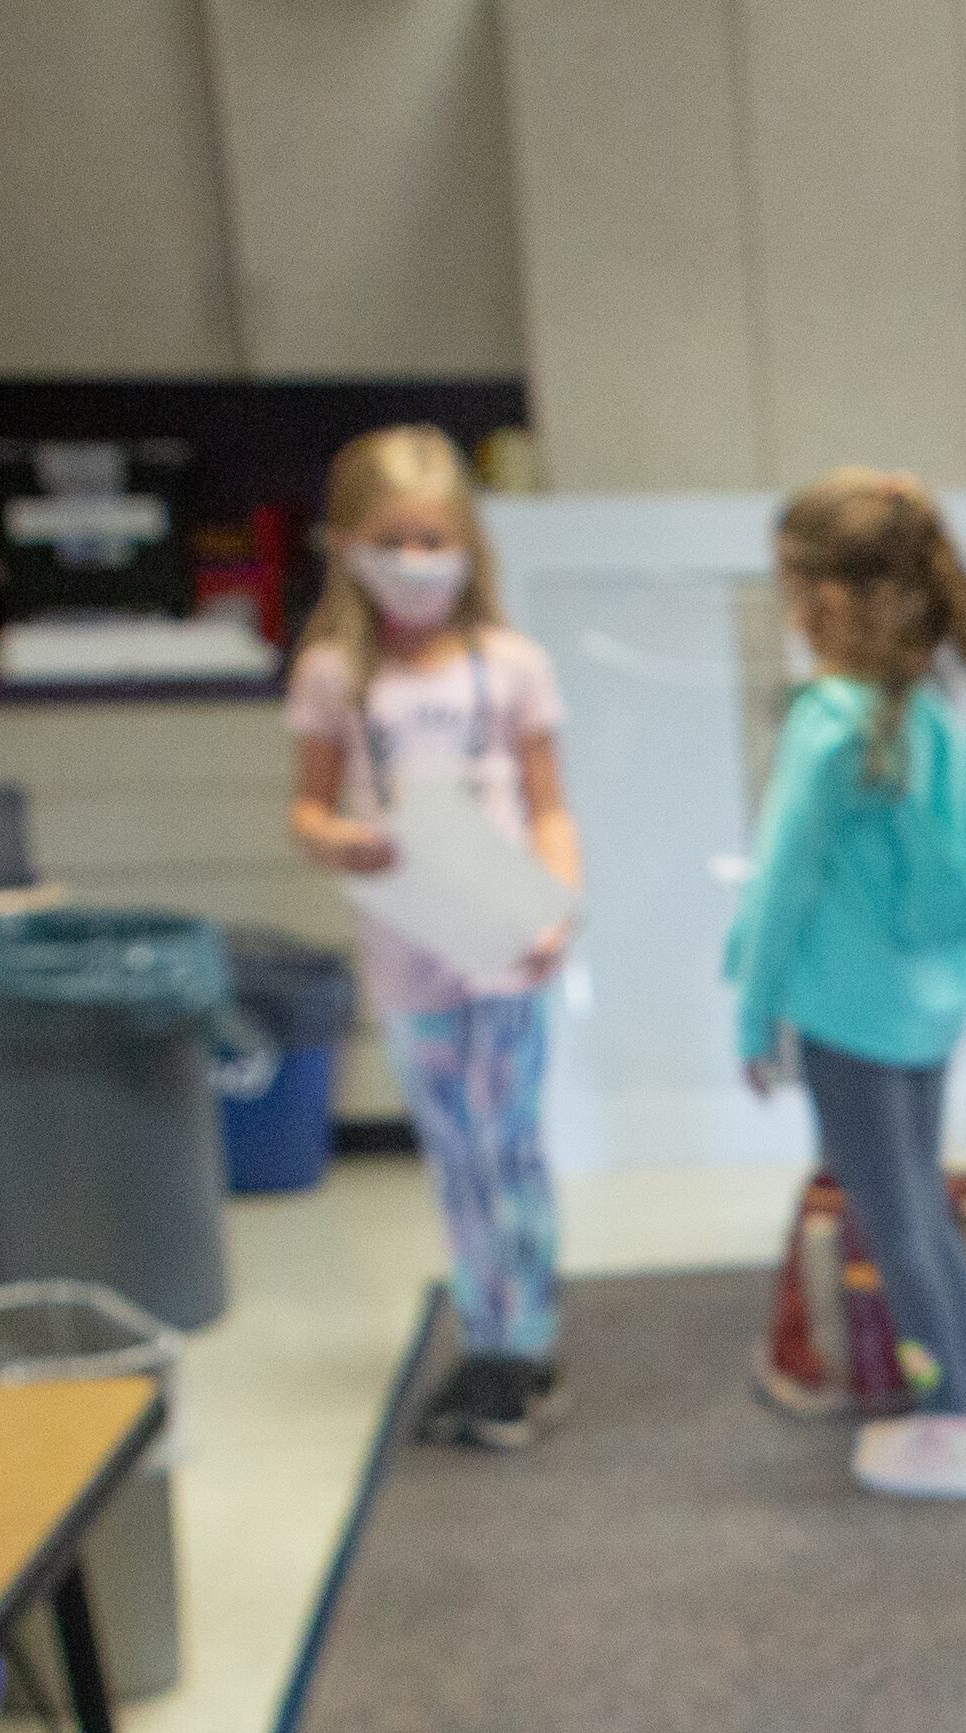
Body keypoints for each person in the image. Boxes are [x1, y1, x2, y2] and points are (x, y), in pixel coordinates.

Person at [730, 471, 966, 1504]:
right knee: (922, 1211)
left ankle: (946, 1417)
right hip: (922, 1012)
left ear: (820, 599)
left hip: (844, 1020)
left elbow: (778, 889)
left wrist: (750, 1013)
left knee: (891, 1216)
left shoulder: (828, 726)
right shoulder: (929, 715)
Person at [285, 425, 582, 1450]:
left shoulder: (510, 668)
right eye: (391, 540)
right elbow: (307, 812)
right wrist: (341, 843)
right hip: (407, 944)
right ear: (348, 547)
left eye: (433, 539)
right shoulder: (333, 676)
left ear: (468, 544)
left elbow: (551, 806)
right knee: (454, 1155)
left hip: (503, 937)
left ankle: (524, 1345)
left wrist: (557, 903)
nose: (415, 562)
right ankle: (483, 1330)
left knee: (510, 1146)